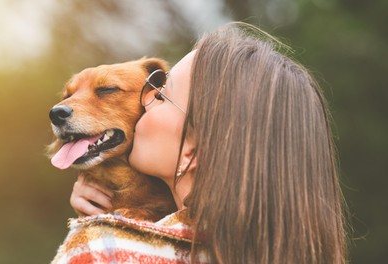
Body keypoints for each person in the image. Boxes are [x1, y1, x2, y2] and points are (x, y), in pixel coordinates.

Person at [55, 22, 348, 264]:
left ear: (193, 151)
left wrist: (96, 231)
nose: (148, 103)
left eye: (161, 96)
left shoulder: (104, 249)